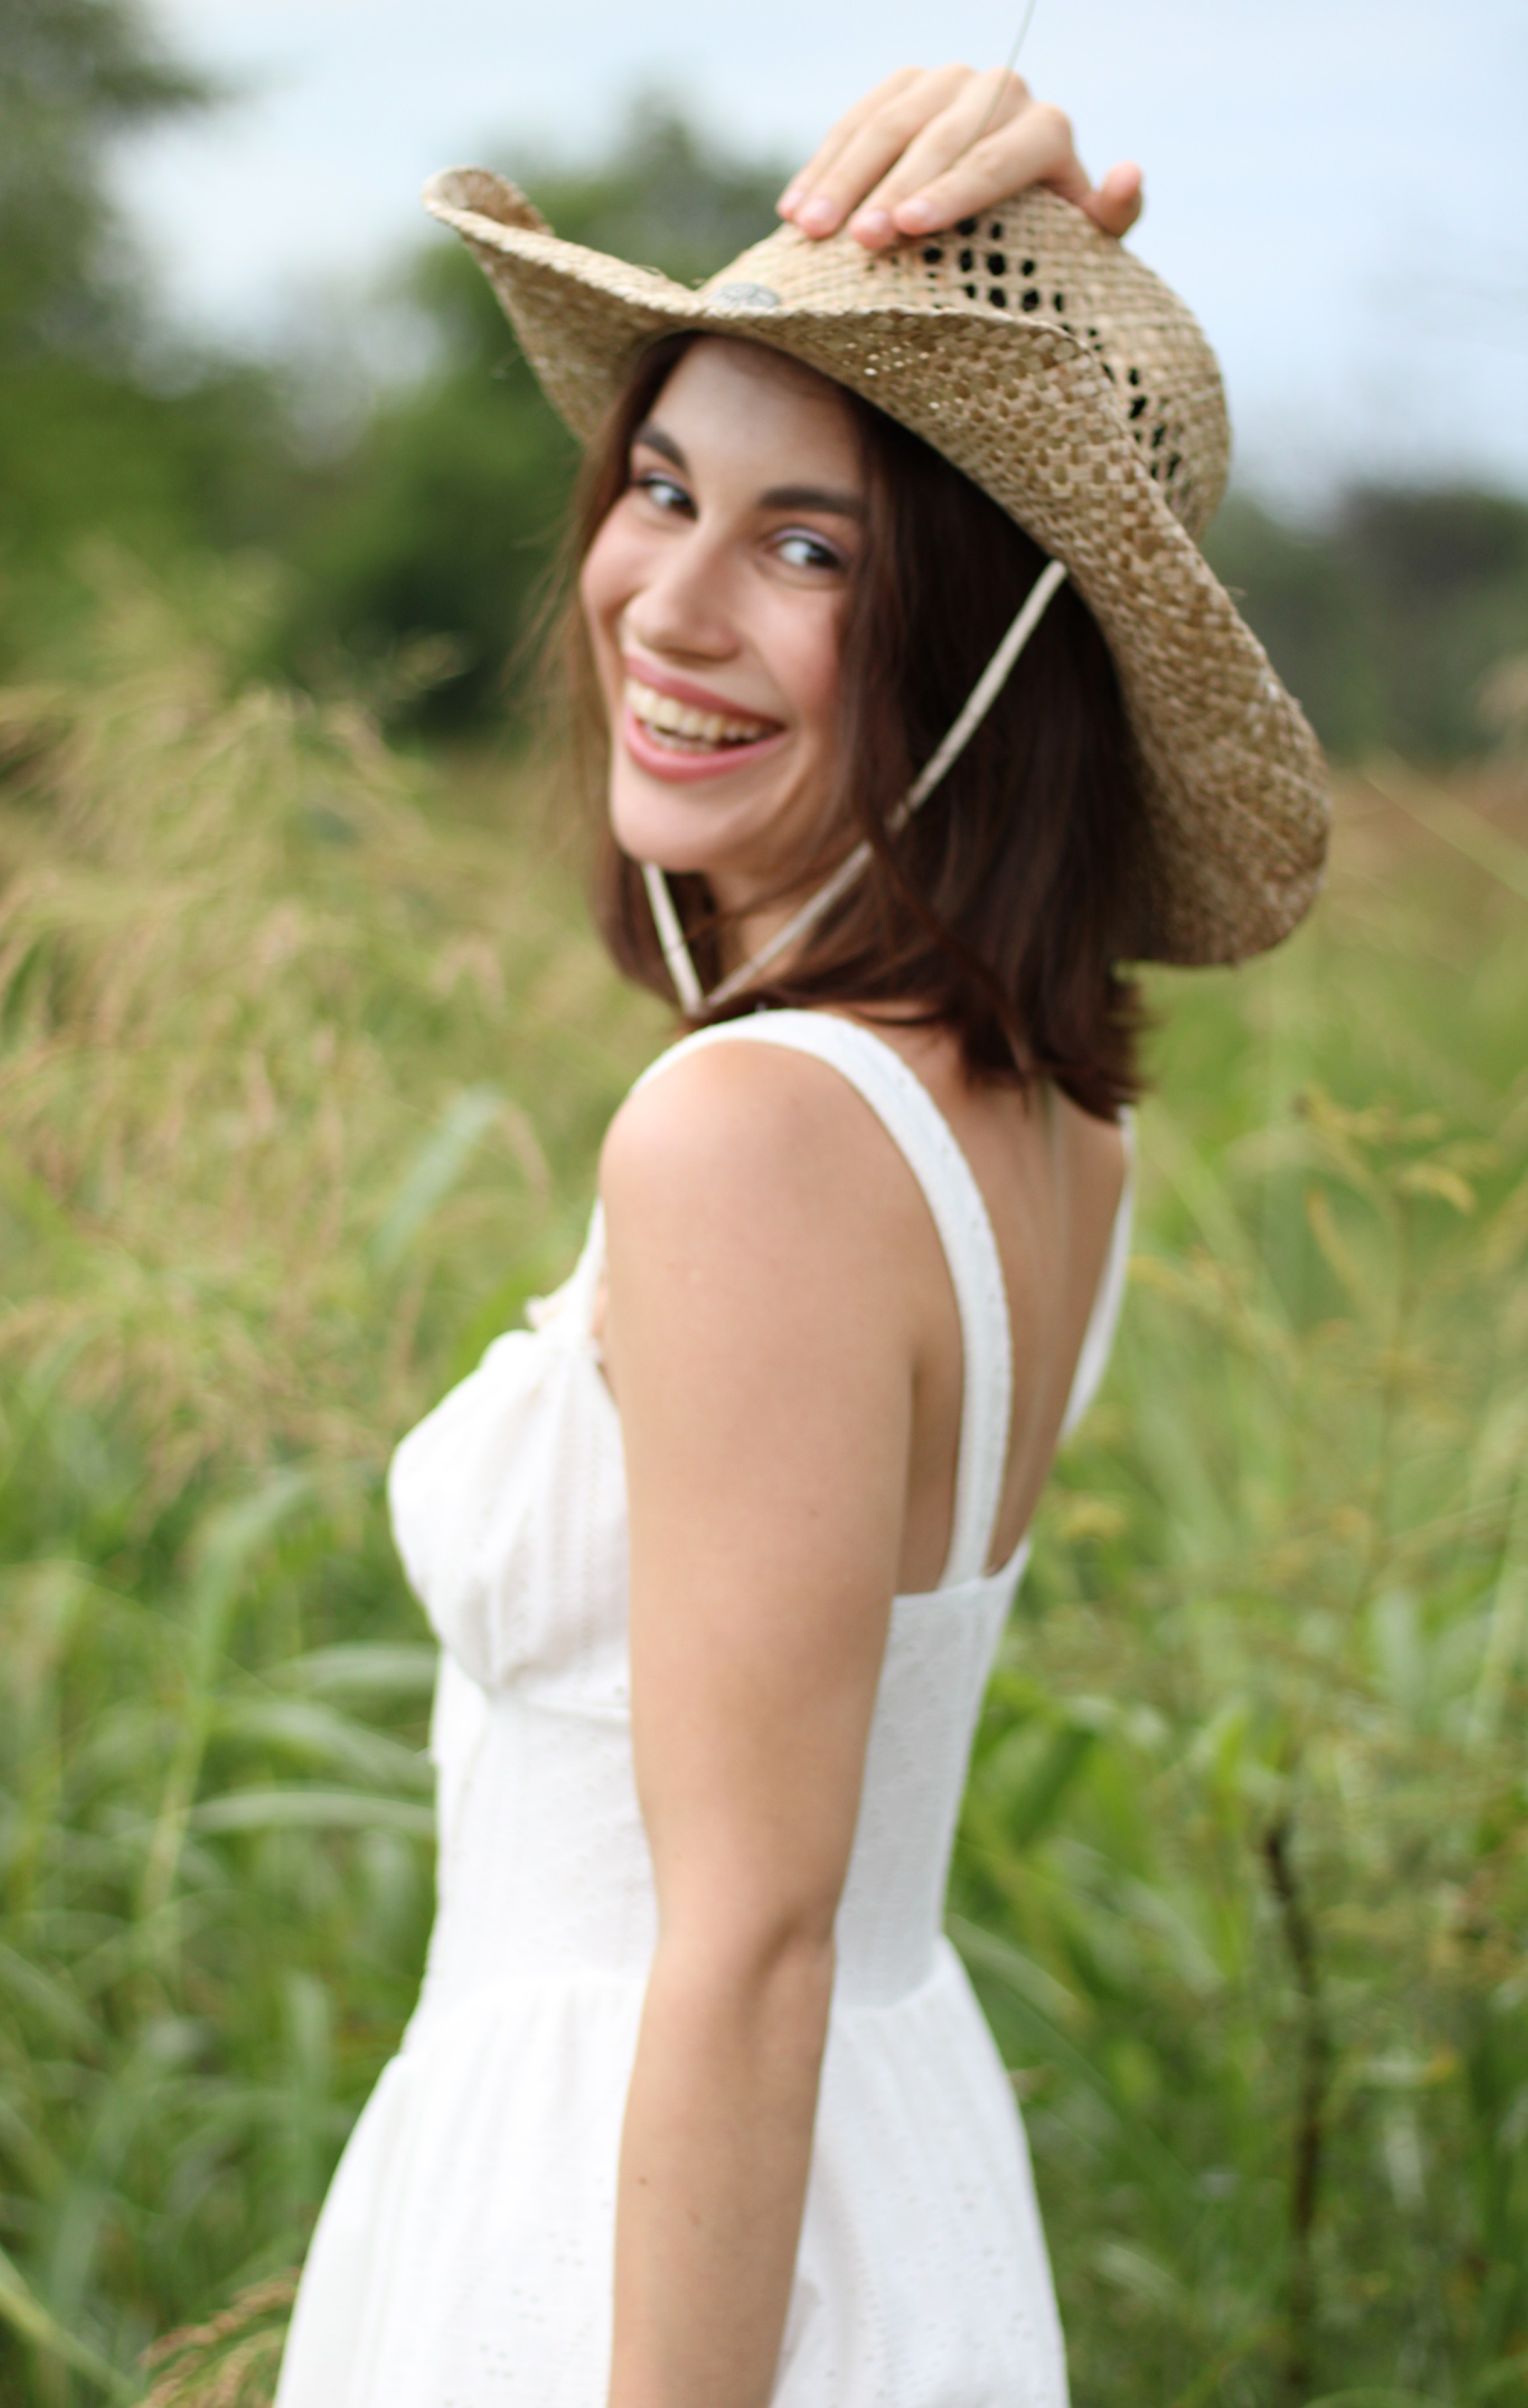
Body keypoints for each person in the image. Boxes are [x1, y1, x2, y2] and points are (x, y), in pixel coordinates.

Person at [272, 66, 1327, 2408]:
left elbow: (745, 1945)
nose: (667, 601)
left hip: (640, 2235)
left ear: (985, 647)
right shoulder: (1041, 1111)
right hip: (881, 2180)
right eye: (661, 488)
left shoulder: (751, 1136)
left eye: (811, 549)